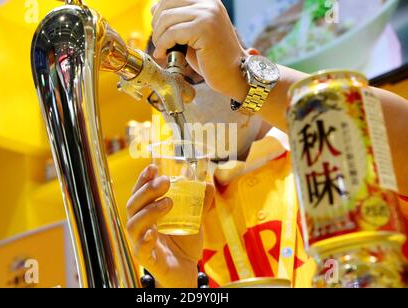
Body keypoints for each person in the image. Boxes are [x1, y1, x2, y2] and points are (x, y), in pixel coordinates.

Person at [126, 0, 408, 288]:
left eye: (195, 77)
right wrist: (181, 286)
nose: (181, 99)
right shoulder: (180, 216)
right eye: (162, 93)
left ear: (251, 60)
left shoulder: (330, 151)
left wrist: (243, 78)